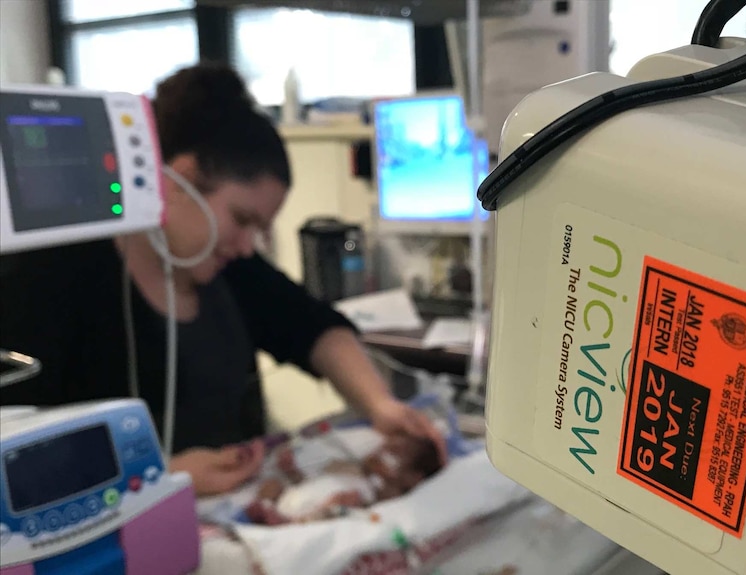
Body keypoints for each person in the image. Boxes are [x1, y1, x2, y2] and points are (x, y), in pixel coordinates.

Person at [0, 62, 446, 496]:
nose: (248, 244)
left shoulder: (232, 270)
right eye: (242, 219)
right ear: (182, 179)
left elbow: (315, 329)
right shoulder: (52, 279)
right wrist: (162, 475)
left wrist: (379, 405)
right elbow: (21, 460)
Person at [245, 431, 443, 526]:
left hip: (316, 513)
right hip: (292, 497)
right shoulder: (349, 467)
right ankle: (265, 507)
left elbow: (376, 513)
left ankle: (285, 523)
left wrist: (343, 504)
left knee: (339, 508)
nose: (384, 452)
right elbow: (309, 483)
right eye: (386, 447)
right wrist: (292, 471)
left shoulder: (384, 495)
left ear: (413, 479)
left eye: (397, 453)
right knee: (272, 484)